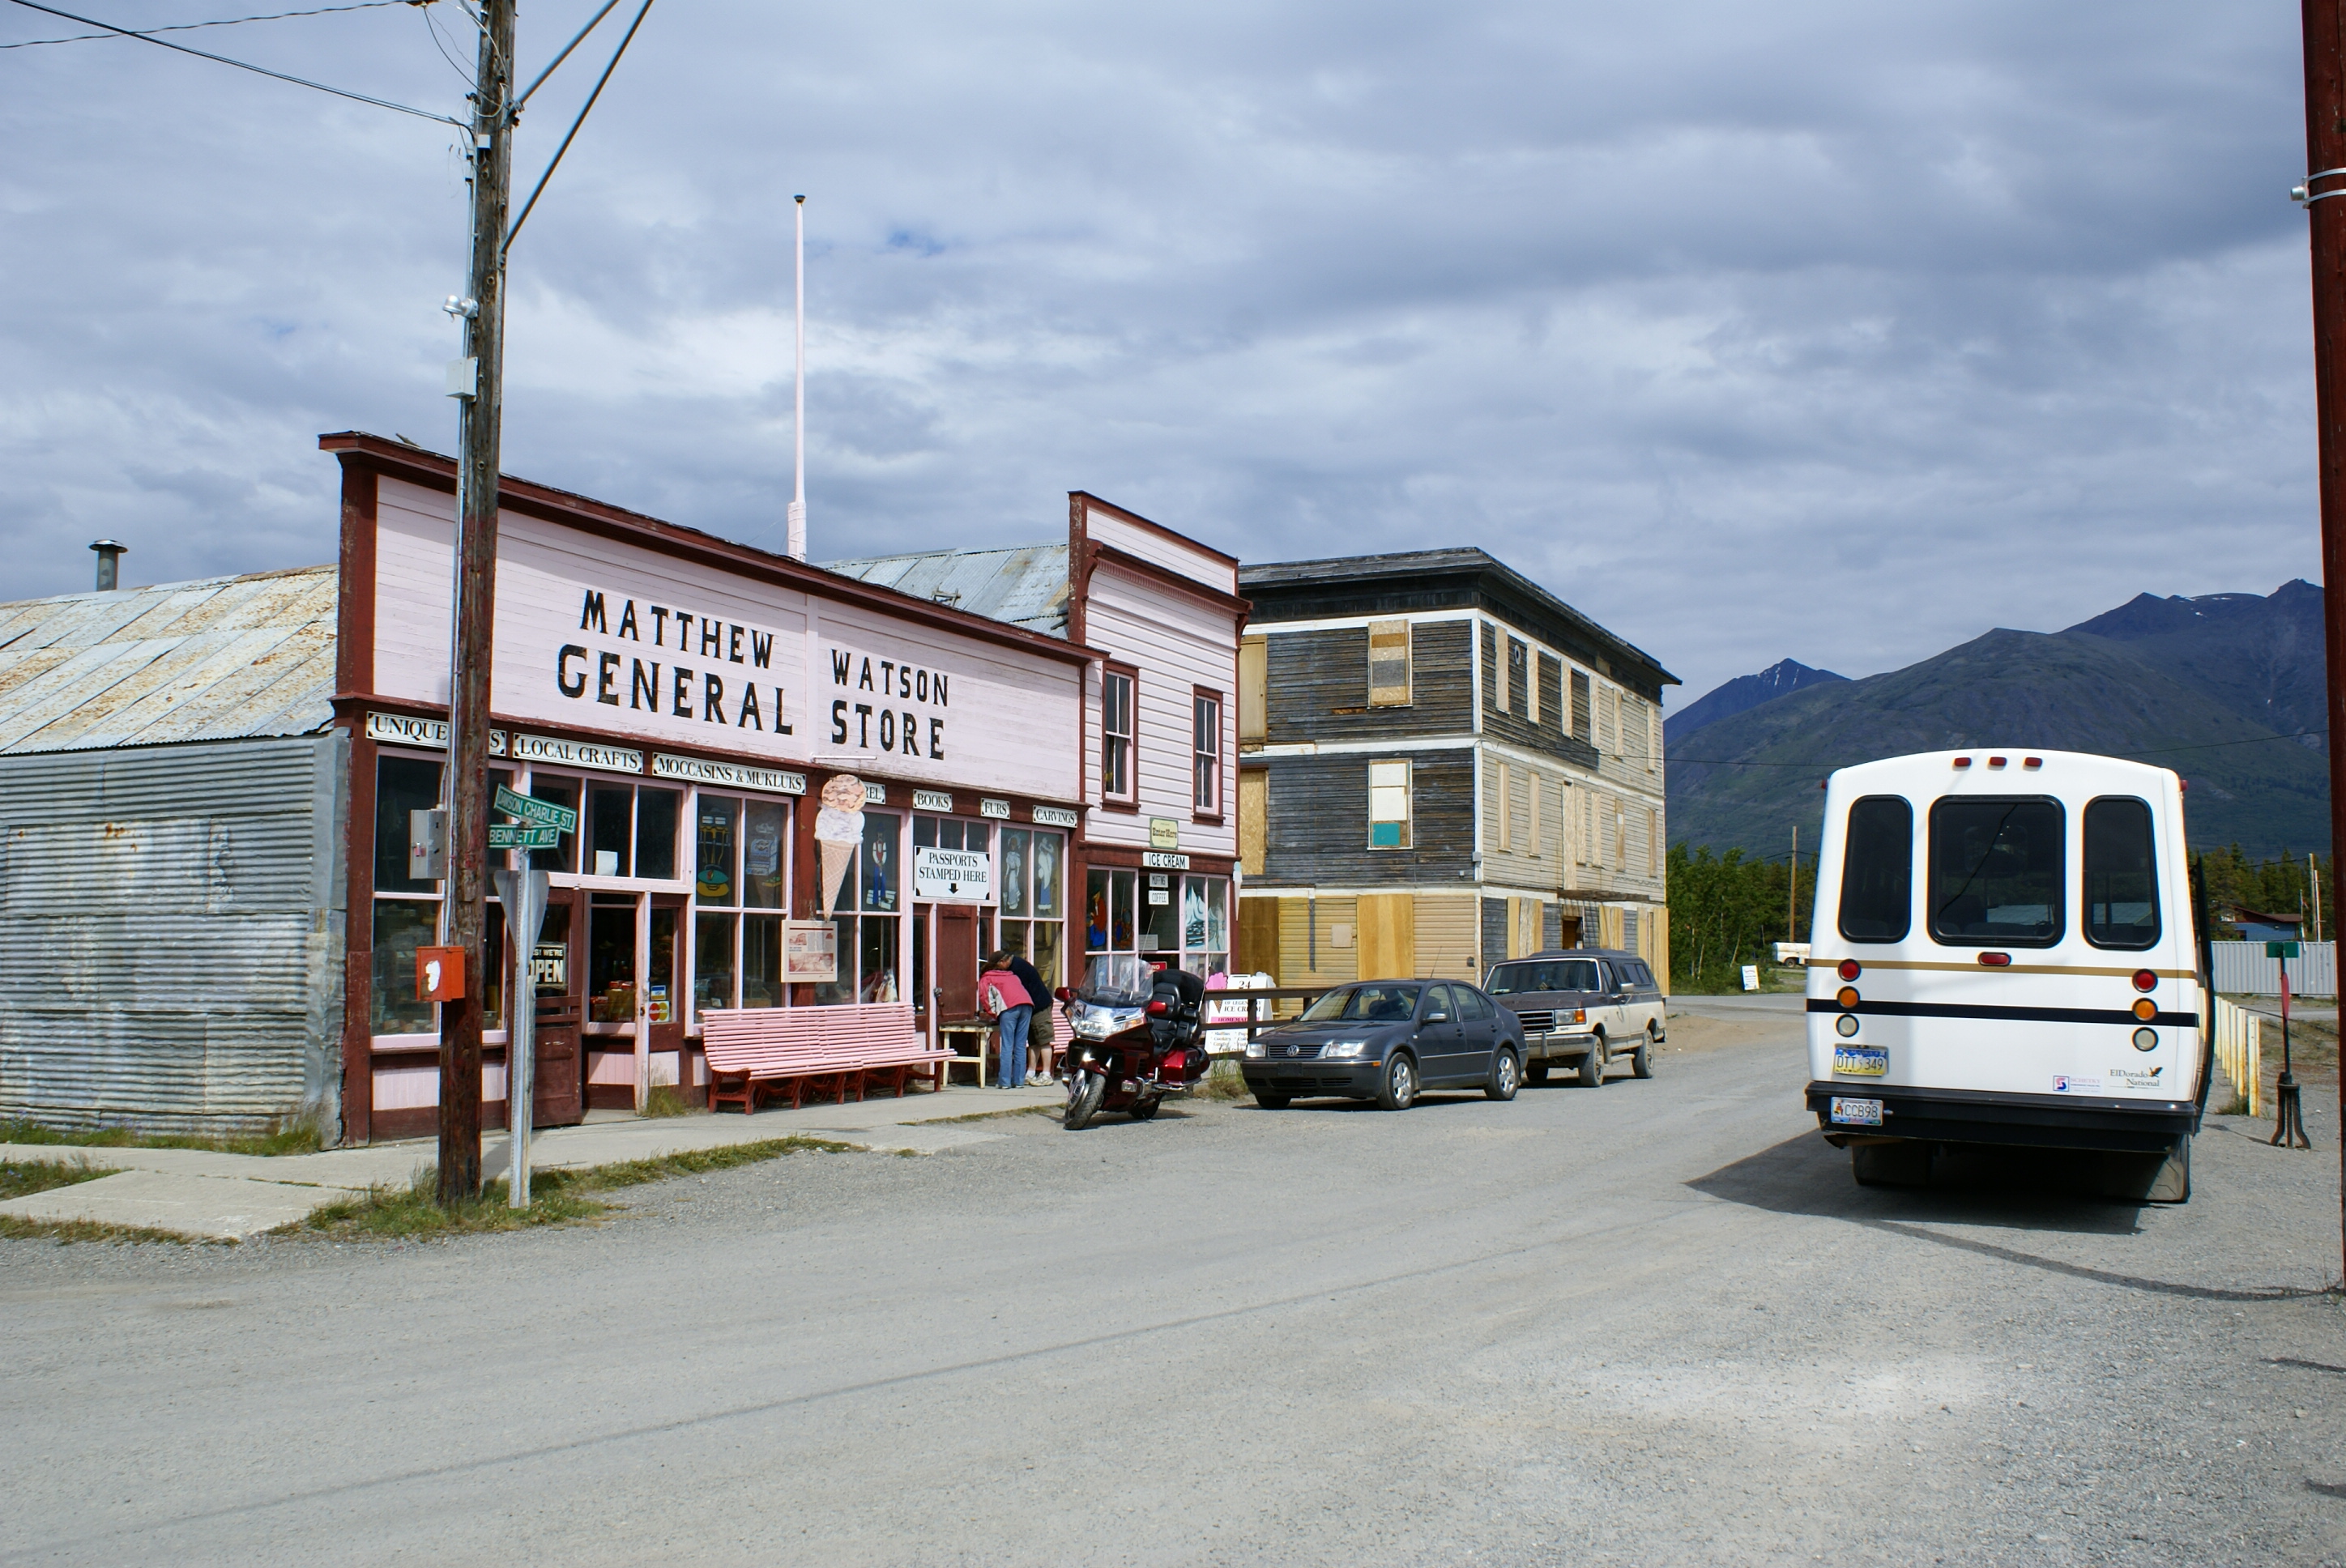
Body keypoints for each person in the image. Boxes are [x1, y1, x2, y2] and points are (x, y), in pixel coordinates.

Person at [978, 952, 1033, 1090]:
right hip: (1027, 1005)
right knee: (1020, 1045)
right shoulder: (1012, 975)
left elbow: (986, 999)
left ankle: (1004, 1081)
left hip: (1009, 1007)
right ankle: (1019, 1081)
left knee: (1007, 1045)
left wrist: (994, 1015)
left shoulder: (987, 978)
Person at [1009, 949, 1053, 1085]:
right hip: (1030, 1006)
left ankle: (1046, 1074)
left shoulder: (1017, 968)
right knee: (1033, 1041)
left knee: (1044, 1040)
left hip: (1040, 1004)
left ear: (1004, 961)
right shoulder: (1016, 965)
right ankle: (1031, 1072)